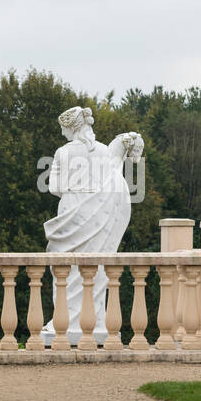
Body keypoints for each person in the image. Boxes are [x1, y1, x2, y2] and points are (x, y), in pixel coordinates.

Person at [40, 106, 141, 346]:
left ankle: (65, 322)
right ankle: (94, 322)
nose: (62, 133)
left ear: (71, 126)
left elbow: (54, 187)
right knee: (95, 268)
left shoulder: (63, 152)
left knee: (66, 268)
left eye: (63, 128)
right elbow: (113, 182)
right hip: (98, 213)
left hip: (71, 211)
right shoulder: (105, 151)